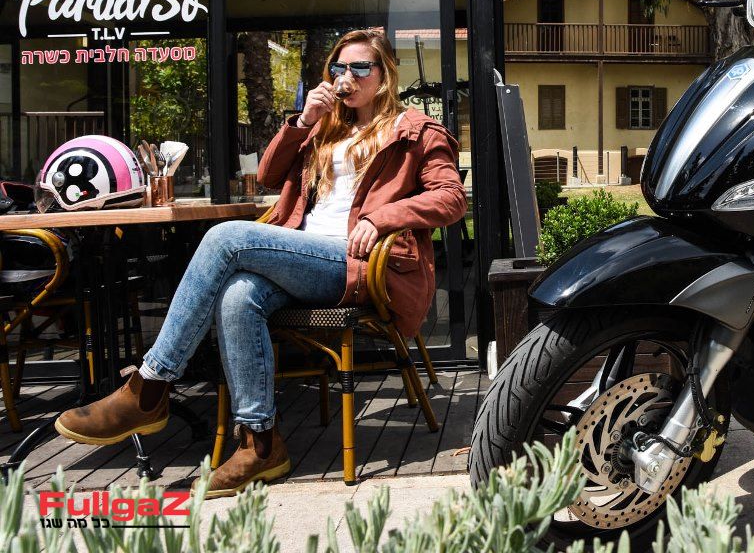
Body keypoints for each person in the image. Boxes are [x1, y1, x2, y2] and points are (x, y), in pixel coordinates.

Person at [54, 29, 467, 497]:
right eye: (338, 68)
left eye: (359, 68)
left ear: (385, 75)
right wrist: (302, 121)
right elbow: (269, 174)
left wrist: (382, 217)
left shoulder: (415, 130)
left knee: (225, 237)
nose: (346, 77)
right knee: (238, 295)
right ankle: (260, 443)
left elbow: (451, 198)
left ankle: (150, 385)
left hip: (357, 264)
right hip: (304, 254)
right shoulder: (325, 127)